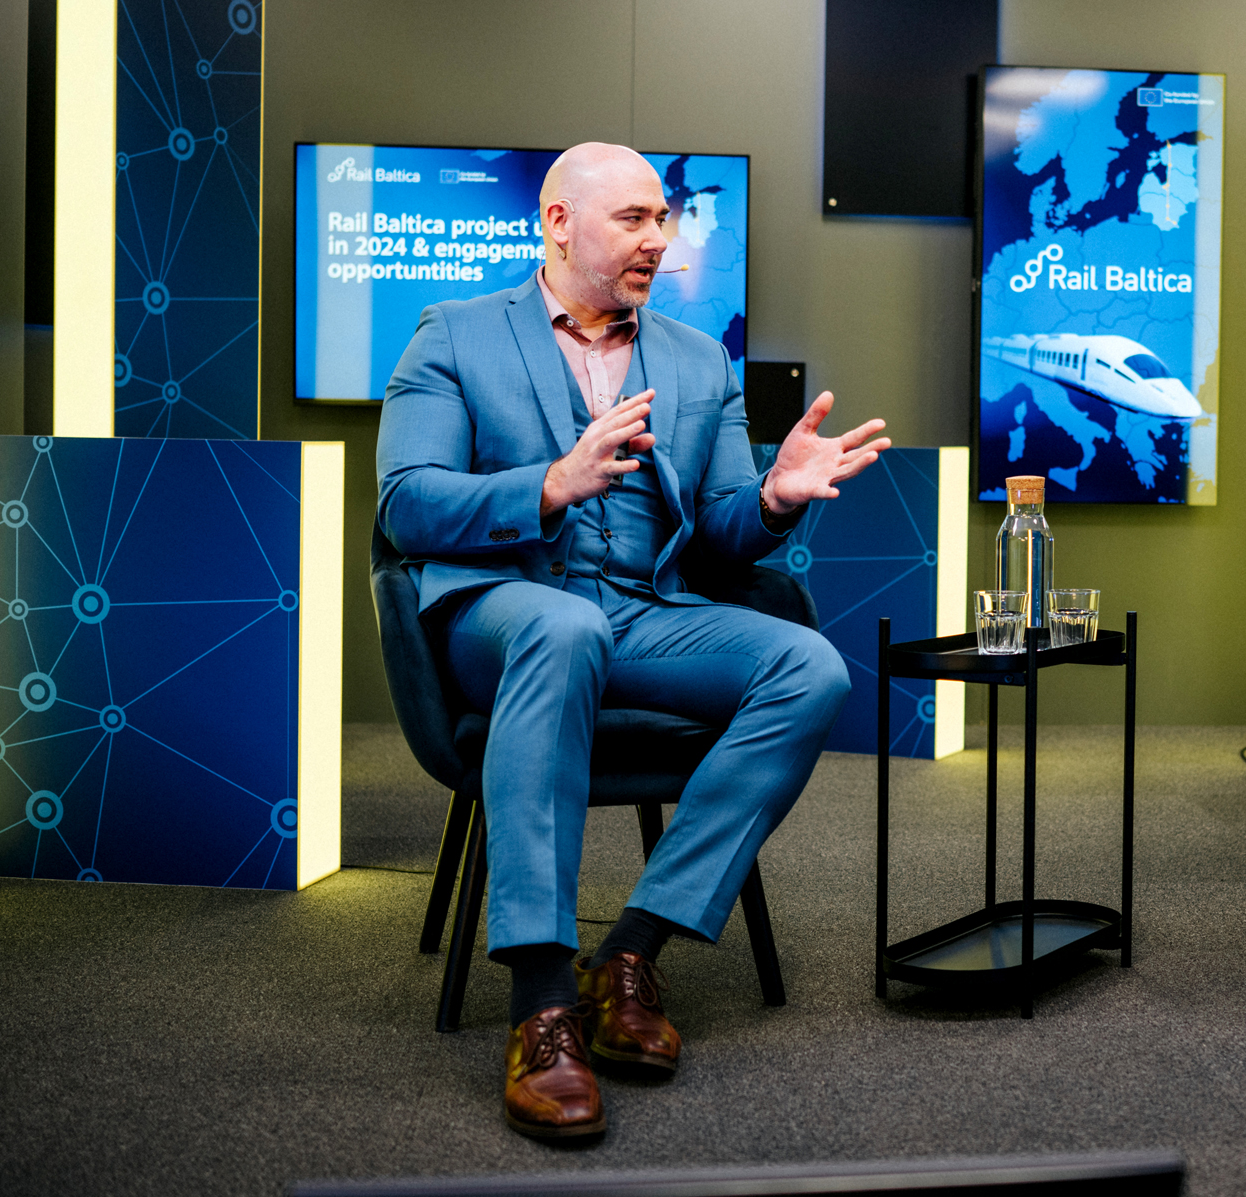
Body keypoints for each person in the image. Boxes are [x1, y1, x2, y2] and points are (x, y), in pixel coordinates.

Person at [376, 143, 890, 1138]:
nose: (659, 238)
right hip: (505, 607)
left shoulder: (700, 360)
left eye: (664, 218)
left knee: (810, 668)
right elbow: (406, 503)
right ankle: (540, 1005)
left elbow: (723, 534)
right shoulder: (455, 334)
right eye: (634, 219)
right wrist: (547, 485)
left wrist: (775, 499)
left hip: (644, 612)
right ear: (559, 222)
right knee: (563, 625)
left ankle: (629, 951)